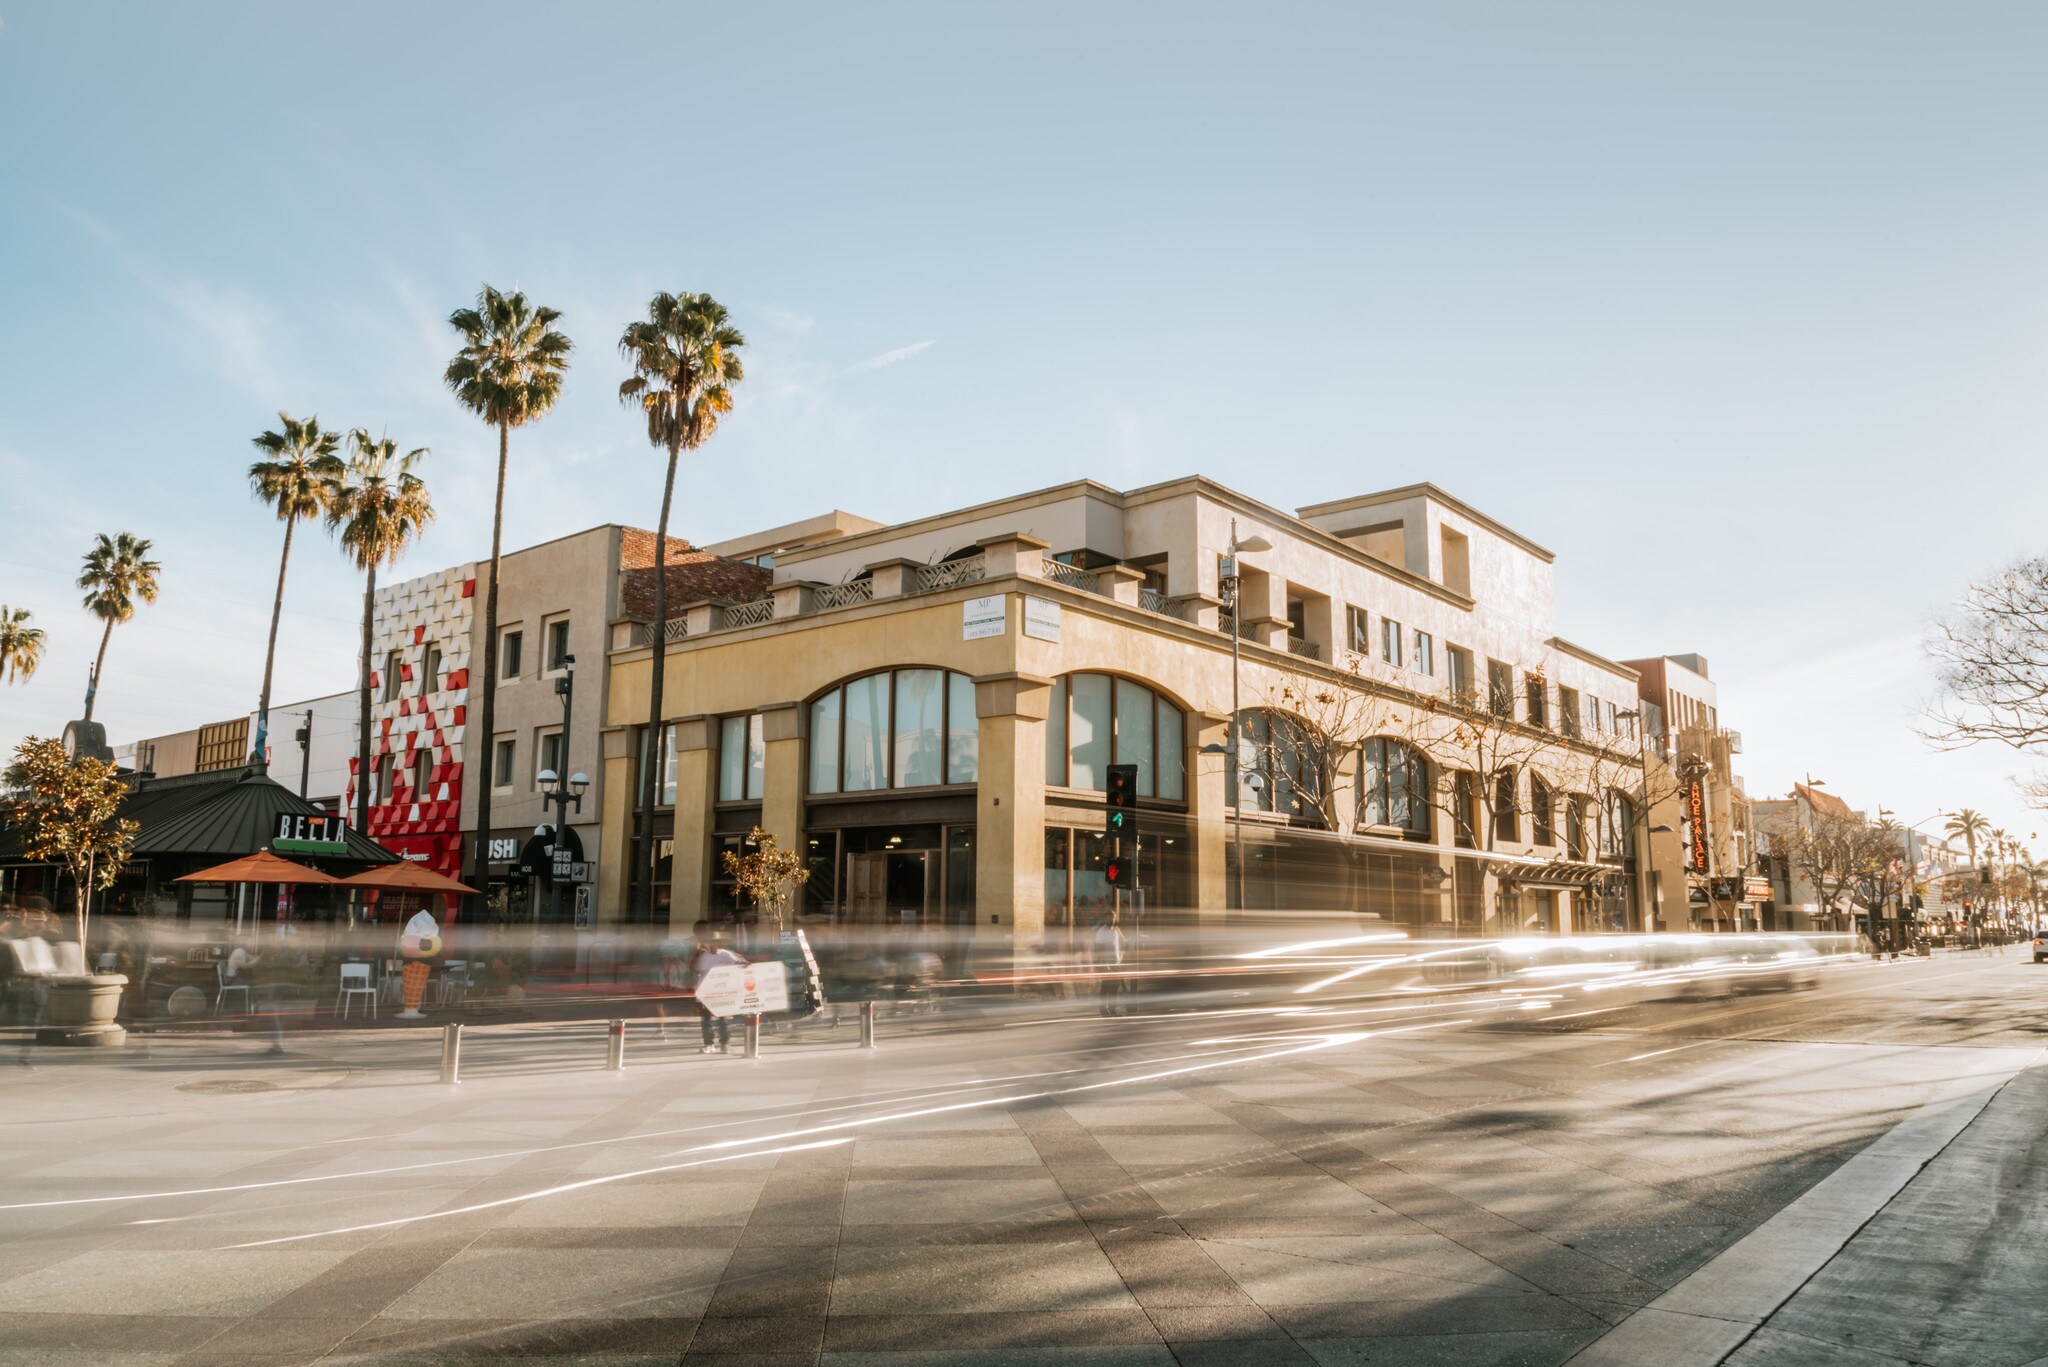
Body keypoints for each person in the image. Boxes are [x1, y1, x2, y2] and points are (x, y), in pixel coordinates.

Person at [692, 936, 744, 1053]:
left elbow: (737, 963)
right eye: (711, 943)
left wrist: (745, 964)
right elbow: (694, 969)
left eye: (716, 943)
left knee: (723, 1019)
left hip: (722, 992)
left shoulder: (725, 954)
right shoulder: (703, 956)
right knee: (706, 1020)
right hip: (706, 992)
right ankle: (709, 1044)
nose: (713, 945)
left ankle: (725, 1044)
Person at [1093, 910, 1126, 1016]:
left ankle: (1112, 1009)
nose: (1111, 919)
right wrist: (1104, 963)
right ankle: (1103, 1009)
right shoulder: (1101, 932)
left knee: (1115, 988)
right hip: (1105, 963)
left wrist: (1121, 958)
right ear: (1105, 918)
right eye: (1109, 917)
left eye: (1113, 917)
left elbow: (1123, 943)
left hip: (1116, 963)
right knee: (1105, 987)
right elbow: (1099, 949)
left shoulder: (1117, 930)